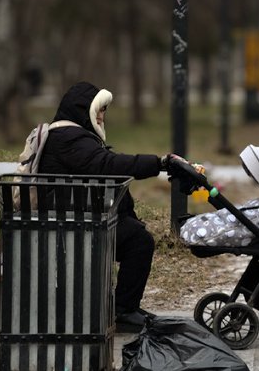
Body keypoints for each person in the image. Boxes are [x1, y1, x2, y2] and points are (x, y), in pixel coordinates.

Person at [37, 81, 184, 332]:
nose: (103, 117)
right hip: (67, 226)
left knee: (134, 233)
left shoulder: (70, 135)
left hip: (71, 217)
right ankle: (124, 311)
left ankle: (127, 307)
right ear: (84, 110)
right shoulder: (69, 139)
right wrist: (158, 163)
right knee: (139, 241)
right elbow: (108, 166)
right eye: (99, 111)